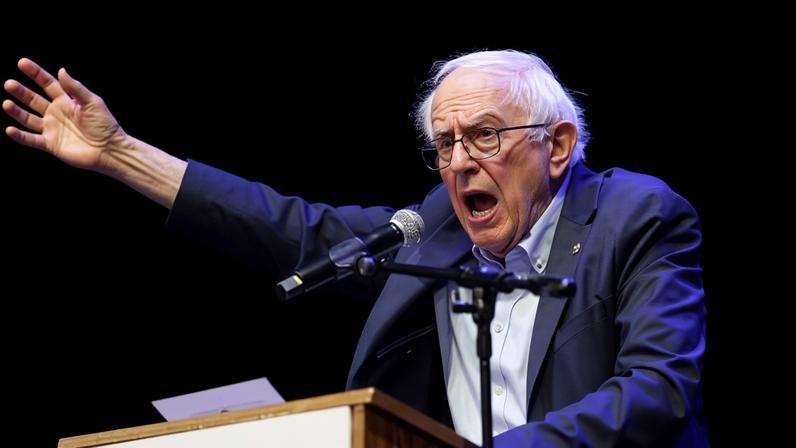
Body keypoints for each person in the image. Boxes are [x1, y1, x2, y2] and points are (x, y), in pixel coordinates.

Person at [3, 50, 708, 446]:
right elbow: (293, 228)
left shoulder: (634, 216)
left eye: (485, 136)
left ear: (556, 146)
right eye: (445, 144)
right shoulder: (439, 225)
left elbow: (659, 388)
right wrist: (121, 155)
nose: (460, 162)